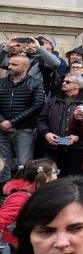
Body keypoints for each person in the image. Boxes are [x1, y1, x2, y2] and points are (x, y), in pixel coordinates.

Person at [37, 72, 83, 177]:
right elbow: (41, 120)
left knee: (76, 179)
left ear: (78, 85)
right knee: (55, 178)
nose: (64, 83)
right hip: (54, 147)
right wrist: (46, 133)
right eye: (63, 81)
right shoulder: (53, 101)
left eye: (68, 82)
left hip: (78, 148)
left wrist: (78, 137)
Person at [0, 53, 46, 184]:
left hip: (24, 129)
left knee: (23, 164)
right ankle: (3, 192)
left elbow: (37, 106)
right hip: (2, 129)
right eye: (9, 63)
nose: (10, 66)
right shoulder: (1, 82)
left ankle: (22, 192)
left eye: (14, 64)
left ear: (26, 67)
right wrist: (2, 121)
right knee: (2, 163)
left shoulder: (35, 83)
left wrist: (12, 122)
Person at [0, 158, 58, 253]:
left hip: (32, 242)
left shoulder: (39, 194)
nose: (57, 175)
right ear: (46, 177)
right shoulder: (20, 197)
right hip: (16, 247)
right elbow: (2, 219)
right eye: (55, 172)